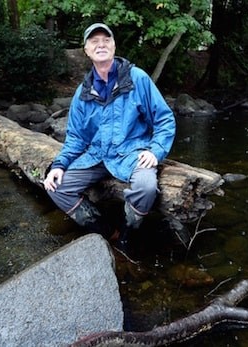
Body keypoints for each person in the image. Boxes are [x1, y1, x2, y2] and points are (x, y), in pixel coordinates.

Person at [43, 23, 176, 247]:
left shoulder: (137, 78)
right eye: (94, 41)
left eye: (106, 40)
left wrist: (156, 150)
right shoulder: (83, 92)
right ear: (86, 50)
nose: (101, 44)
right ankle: (106, 231)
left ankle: (127, 233)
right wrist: (59, 165)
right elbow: (76, 138)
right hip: (97, 156)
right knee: (56, 186)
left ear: (114, 46)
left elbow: (164, 119)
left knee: (146, 187)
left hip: (132, 153)